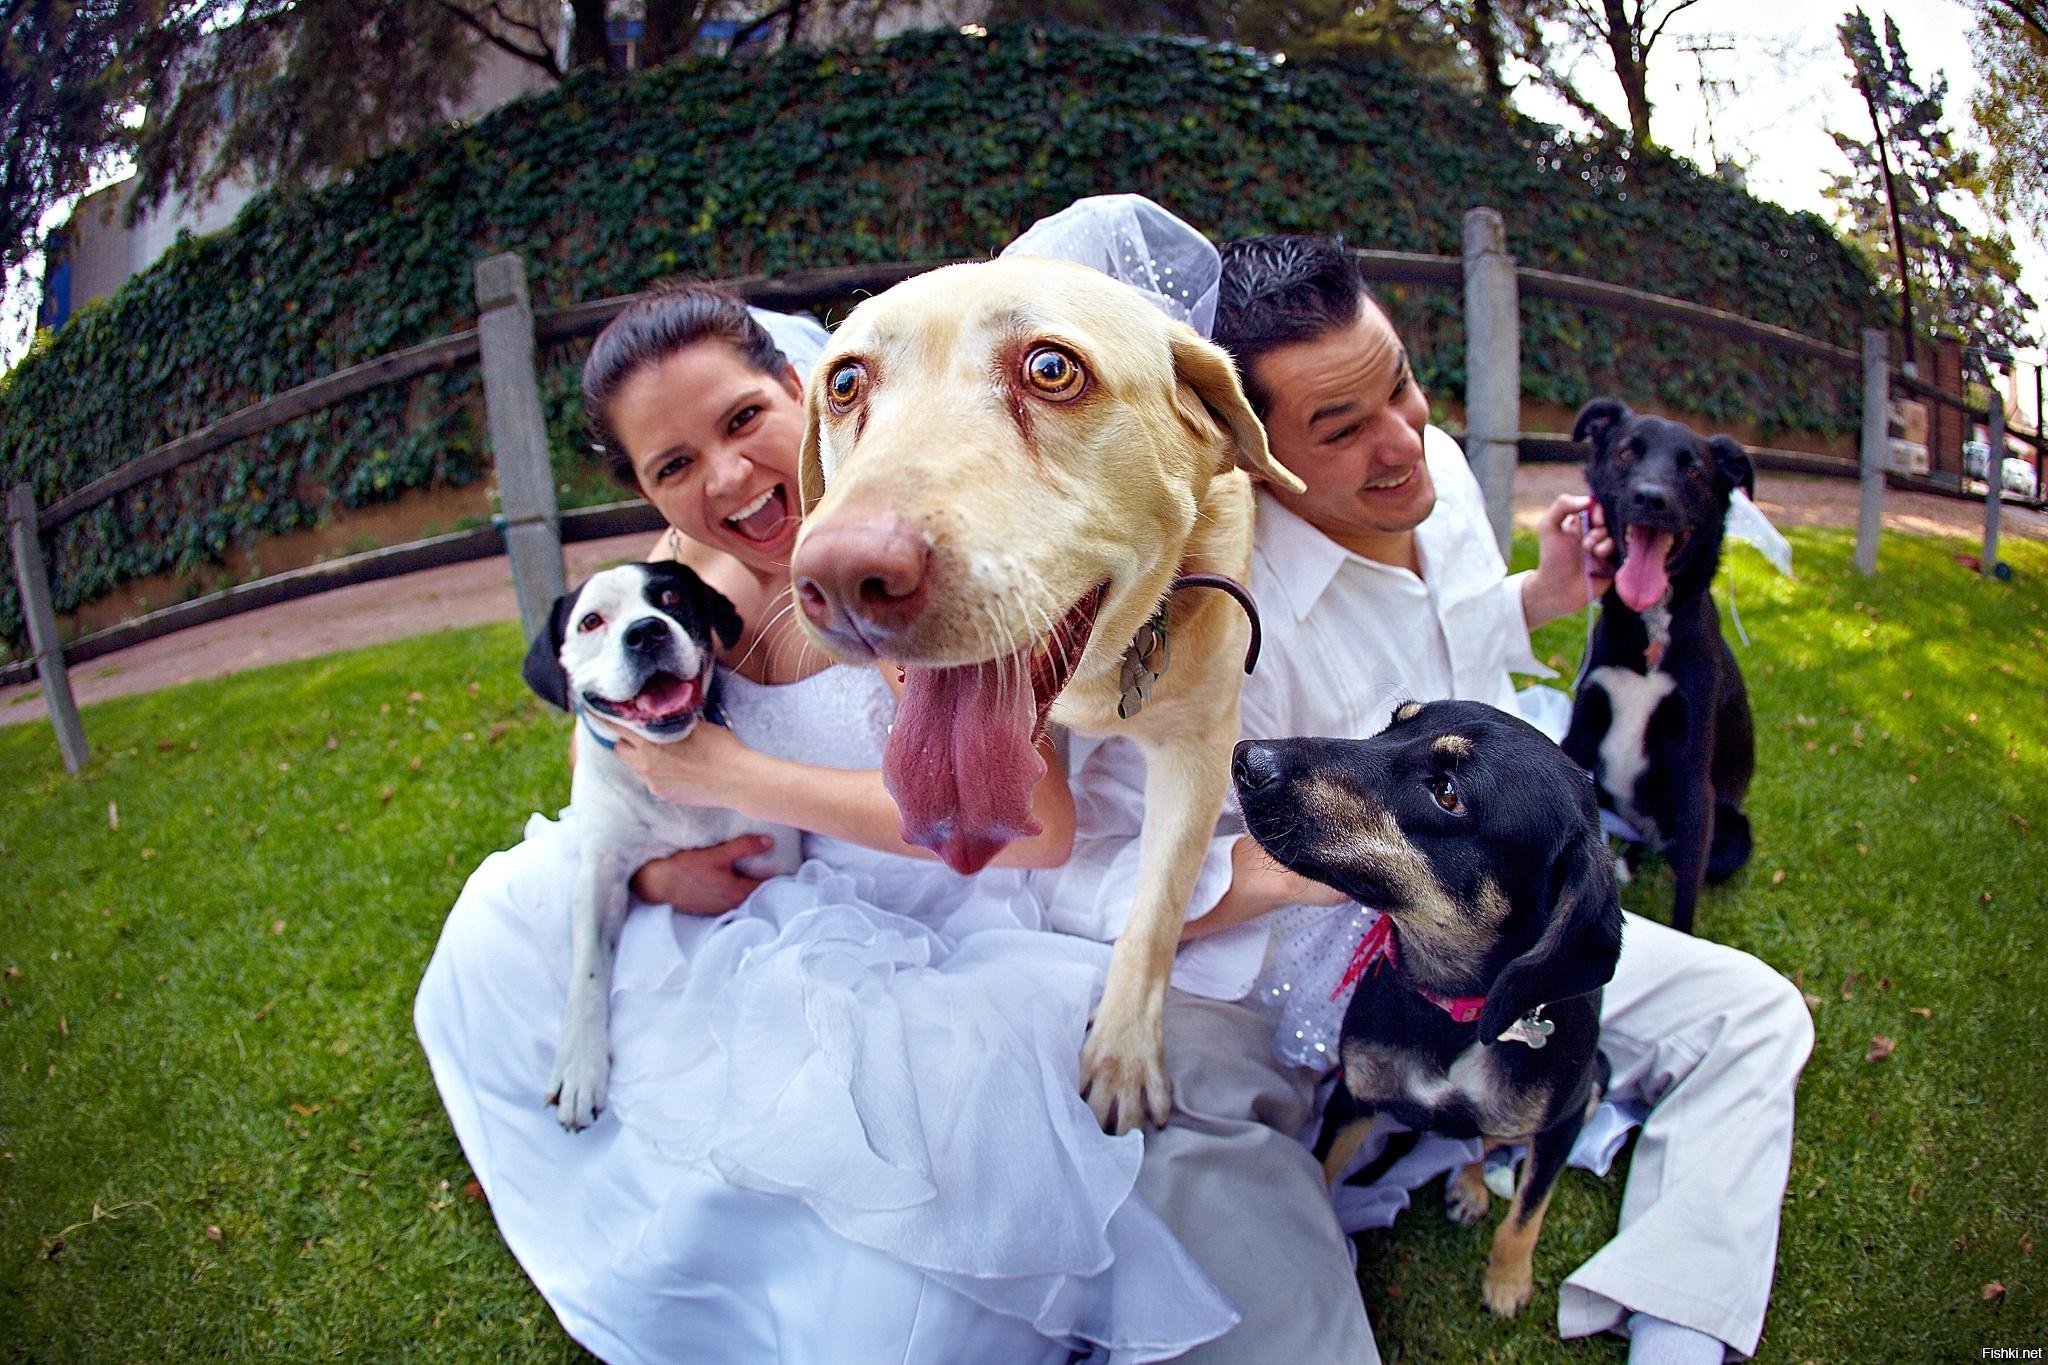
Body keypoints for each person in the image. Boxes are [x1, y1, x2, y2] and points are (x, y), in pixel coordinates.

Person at [414, 284, 1237, 1365]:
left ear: (803, 392)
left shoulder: (905, 555)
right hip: (780, 895)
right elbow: (604, 727)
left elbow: (1026, 831)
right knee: (495, 935)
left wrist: (738, 775)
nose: (727, 477)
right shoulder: (682, 564)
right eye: (673, 465)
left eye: (743, 419)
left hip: (941, 904)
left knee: (895, 1294)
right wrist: (658, 873)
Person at [1033, 235, 1813, 1365]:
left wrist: (1539, 595)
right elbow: (1083, 876)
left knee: (1753, 1012)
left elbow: (1441, 667)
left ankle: (1679, 1343)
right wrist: (1298, 865)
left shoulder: (1428, 471)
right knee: (1236, 1257)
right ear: (1251, 453)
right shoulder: (1197, 607)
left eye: (1396, 381)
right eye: (1340, 429)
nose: (1400, 441)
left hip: (1474, 938)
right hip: (1263, 996)